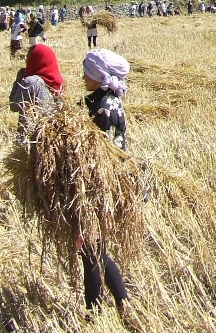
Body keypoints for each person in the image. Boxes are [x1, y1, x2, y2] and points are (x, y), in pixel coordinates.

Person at [80, 49, 130, 313]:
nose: (83, 76)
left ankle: (111, 305)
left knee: (92, 247)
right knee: (91, 248)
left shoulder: (105, 107)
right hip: (96, 184)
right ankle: (102, 307)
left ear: (99, 75)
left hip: (100, 186)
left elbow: (103, 154)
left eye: (87, 72)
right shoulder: (99, 100)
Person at [9, 43, 64, 142]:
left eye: (28, 58)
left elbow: (13, 105)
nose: (26, 61)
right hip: (49, 138)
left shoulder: (31, 82)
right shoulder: (57, 82)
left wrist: (17, 81)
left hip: (30, 139)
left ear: (35, 60)